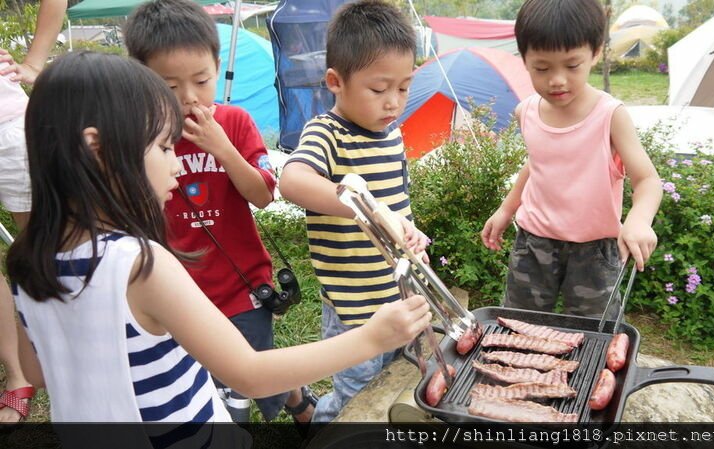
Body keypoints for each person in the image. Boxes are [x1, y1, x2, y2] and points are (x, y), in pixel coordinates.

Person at [6, 52, 430, 441]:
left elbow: (39, 372)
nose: (176, 163)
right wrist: (373, 337)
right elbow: (250, 373)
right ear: (96, 150)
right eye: (163, 146)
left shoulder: (26, 262)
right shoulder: (141, 265)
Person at [122, 0, 313, 427]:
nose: (189, 98)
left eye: (201, 80)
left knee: (250, 375)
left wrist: (222, 147)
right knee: (206, 391)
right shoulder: (137, 138)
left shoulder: (236, 121)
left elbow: (263, 195)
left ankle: (294, 396)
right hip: (176, 295)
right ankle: (294, 394)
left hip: (241, 286)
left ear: (217, 66)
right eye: (169, 87)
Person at [279, 0, 429, 423]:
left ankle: (312, 408)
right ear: (336, 81)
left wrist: (412, 237)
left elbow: (399, 206)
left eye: (404, 87)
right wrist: (365, 205)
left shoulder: (392, 137)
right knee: (356, 402)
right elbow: (293, 181)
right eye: (379, 89)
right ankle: (318, 420)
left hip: (398, 295)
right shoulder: (326, 132)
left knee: (399, 384)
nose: (394, 102)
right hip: (352, 309)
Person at [480, 0, 662, 317]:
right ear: (524, 60)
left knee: (594, 332)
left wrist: (639, 220)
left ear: (595, 53)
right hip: (533, 243)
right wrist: (506, 209)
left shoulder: (610, 116)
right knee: (521, 324)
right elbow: (537, 165)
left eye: (572, 65)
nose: (557, 80)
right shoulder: (527, 111)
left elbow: (647, 180)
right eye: (542, 68)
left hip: (596, 249)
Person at [0, 0, 67, 423]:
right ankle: (17, 372)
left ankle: (53, 367)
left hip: (5, 128)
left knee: (38, 251)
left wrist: (34, 62)